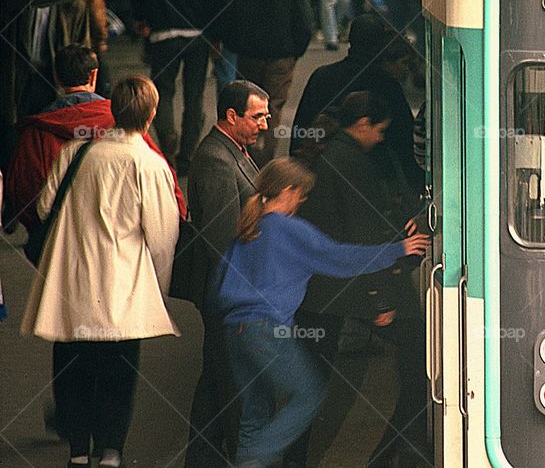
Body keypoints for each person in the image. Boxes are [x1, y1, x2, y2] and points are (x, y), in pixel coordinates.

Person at [208, 157, 429, 468]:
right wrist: (398, 250)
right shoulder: (289, 229)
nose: (303, 201)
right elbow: (340, 258)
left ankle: (252, 457)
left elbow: (217, 284)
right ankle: (252, 459)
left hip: (235, 330)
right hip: (267, 329)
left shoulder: (247, 229)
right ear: (288, 190)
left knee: (255, 412)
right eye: (302, 194)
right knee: (309, 393)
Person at [20, 76, 180, 468]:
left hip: (71, 281)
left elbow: (42, 209)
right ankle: (110, 450)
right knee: (118, 370)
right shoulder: (148, 163)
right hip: (122, 287)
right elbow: (162, 236)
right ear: (151, 114)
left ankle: (76, 449)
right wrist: (159, 289)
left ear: (112, 110)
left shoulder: (74, 152)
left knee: (72, 364)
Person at [297, 91, 428, 466]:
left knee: (314, 379)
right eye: (380, 130)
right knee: (416, 361)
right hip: (346, 287)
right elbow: (361, 233)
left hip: (324, 290)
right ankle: (394, 453)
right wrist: (380, 301)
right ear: (362, 125)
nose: (383, 138)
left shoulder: (335, 156)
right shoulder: (350, 163)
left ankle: (298, 457)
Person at [3, 45, 185, 244]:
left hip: (56, 242)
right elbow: (162, 179)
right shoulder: (120, 119)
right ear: (93, 75)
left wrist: (43, 232)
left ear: (56, 77)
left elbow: (22, 189)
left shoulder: (37, 131)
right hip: (120, 239)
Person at [182, 80, 269, 467]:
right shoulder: (217, 161)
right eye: (257, 116)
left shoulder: (235, 151)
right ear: (231, 116)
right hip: (226, 296)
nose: (265, 125)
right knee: (231, 386)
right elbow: (220, 242)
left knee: (216, 386)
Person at [213, 0, 314, 165]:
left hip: (247, 54)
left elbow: (223, 11)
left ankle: (246, 159)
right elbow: (304, 18)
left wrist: (232, 42)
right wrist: (295, 50)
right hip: (281, 56)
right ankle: (263, 161)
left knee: (247, 105)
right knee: (273, 107)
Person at [130, 0, 218, 175]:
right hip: (196, 34)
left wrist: (140, 17)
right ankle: (188, 156)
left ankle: (168, 142)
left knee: (163, 92)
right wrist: (214, 33)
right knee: (195, 97)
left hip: (161, 32)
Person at [290, 12, 421, 187]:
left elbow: (302, 126)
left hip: (321, 169)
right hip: (372, 175)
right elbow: (403, 139)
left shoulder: (322, 76)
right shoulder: (386, 84)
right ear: (381, 44)